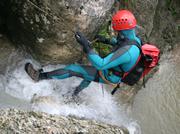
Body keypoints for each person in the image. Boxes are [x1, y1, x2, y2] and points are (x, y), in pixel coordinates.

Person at [25, 10, 142, 96]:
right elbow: (121, 43)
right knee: (88, 75)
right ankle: (74, 94)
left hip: (109, 75)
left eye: (116, 29)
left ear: (121, 29)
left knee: (73, 69)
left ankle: (39, 77)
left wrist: (86, 45)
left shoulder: (128, 52)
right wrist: (106, 40)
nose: (115, 31)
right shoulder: (134, 39)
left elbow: (101, 65)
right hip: (114, 70)